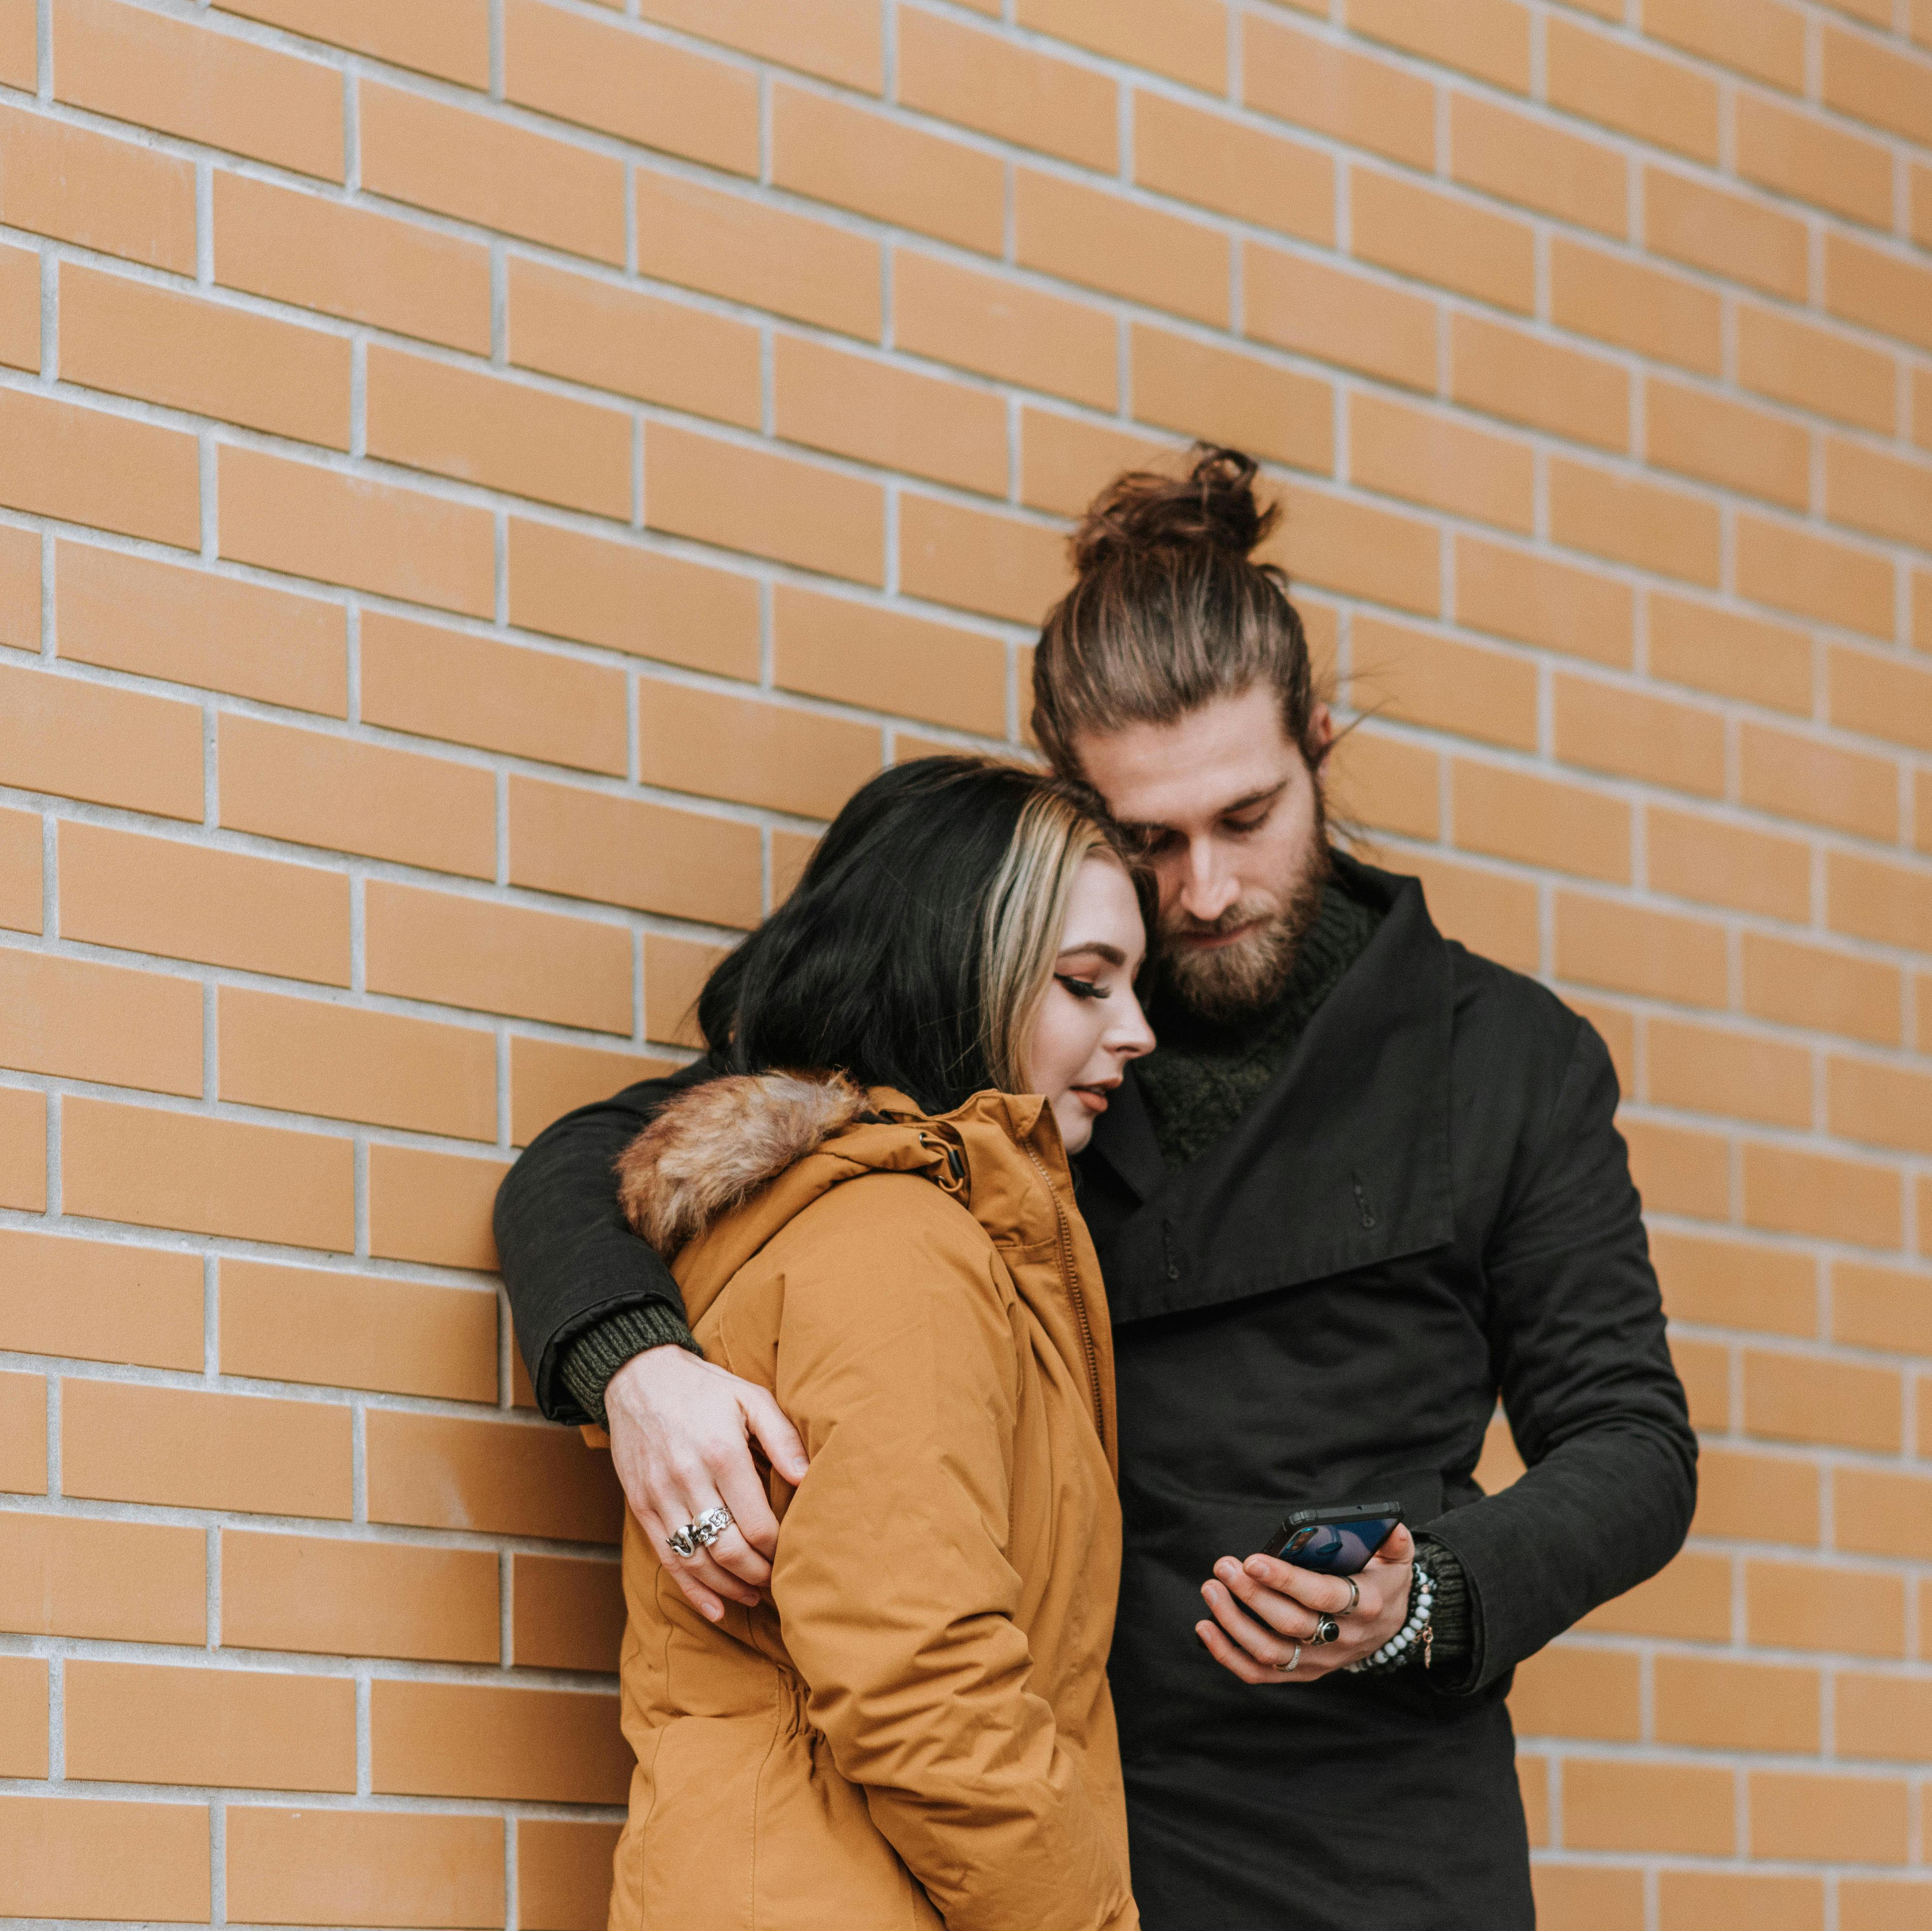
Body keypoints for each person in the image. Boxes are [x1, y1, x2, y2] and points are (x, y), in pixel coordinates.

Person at [498, 447, 1697, 1928]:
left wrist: (1427, 1592)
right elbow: (610, 1154)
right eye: (1144, 838)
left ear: (1318, 743)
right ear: (1071, 806)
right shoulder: (1002, 1017)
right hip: (1063, 1809)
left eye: (1245, 817)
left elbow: (1633, 1444)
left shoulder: (1504, 1054)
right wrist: (639, 1370)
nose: (1198, 889)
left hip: (1374, 1821)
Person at [597, 757, 1155, 1931]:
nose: (1139, 1031)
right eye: (1086, 983)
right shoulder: (897, 1244)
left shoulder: (861, 1222)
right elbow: (924, 1678)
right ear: (965, 969)